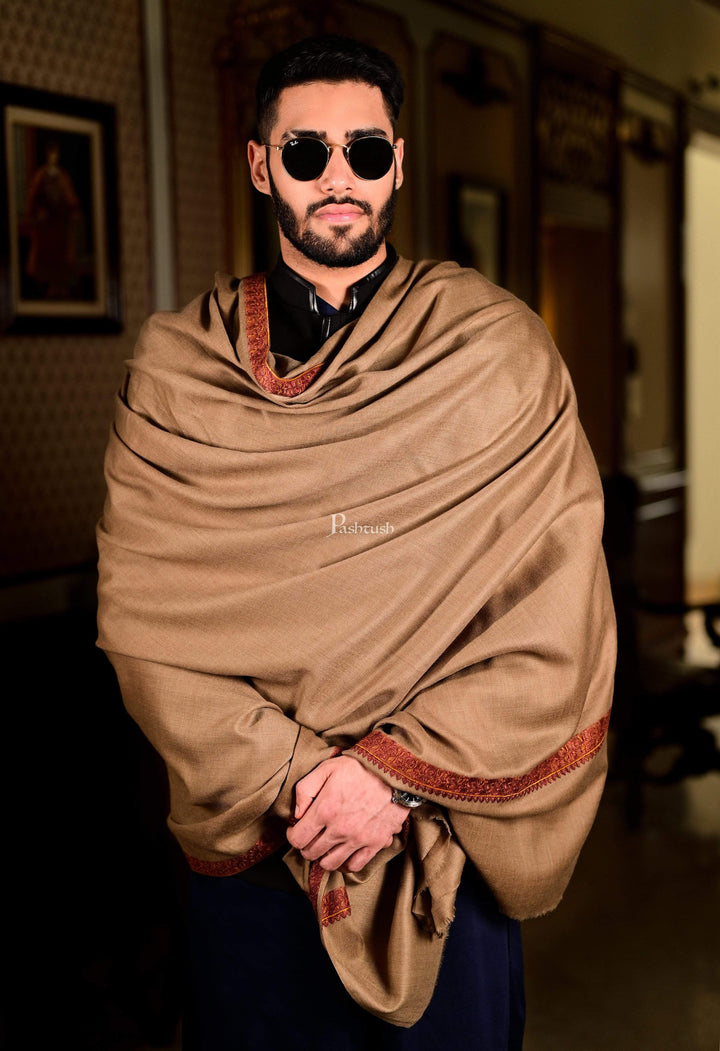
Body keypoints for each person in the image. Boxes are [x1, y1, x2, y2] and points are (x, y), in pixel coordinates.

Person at [96, 34, 615, 1051]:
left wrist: (387, 775)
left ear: (398, 163)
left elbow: (557, 612)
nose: (339, 177)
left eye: (365, 152)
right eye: (306, 152)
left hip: (439, 840)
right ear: (261, 166)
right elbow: (144, 627)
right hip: (260, 852)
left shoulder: (498, 350)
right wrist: (306, 778)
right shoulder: (173, 374)